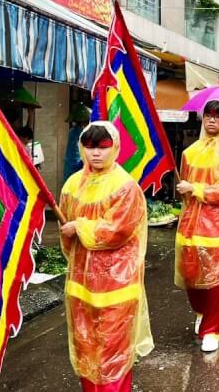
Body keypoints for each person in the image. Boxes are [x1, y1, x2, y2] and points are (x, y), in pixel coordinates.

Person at [59, 121, 153, 390]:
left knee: (114, 354)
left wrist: (79, 227)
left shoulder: (125, 186)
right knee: (86, 349)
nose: (95, 153)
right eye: (89, 146)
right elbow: (64, 228)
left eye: (102, 146)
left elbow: (117, 232)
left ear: (115, 147)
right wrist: (71, 236)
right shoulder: (72, 184)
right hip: (81, 285)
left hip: (117, 287)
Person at [174, 100, 219, 353]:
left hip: (217, 226)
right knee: (192, 275)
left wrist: (195, 188)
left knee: (215, 280)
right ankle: (201, 312)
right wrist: (186, 190)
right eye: (208, 116)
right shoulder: (189, 153)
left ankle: (213, 329)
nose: (212, 120)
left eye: (218, 116)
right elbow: (183, 189)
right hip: (190, 224)